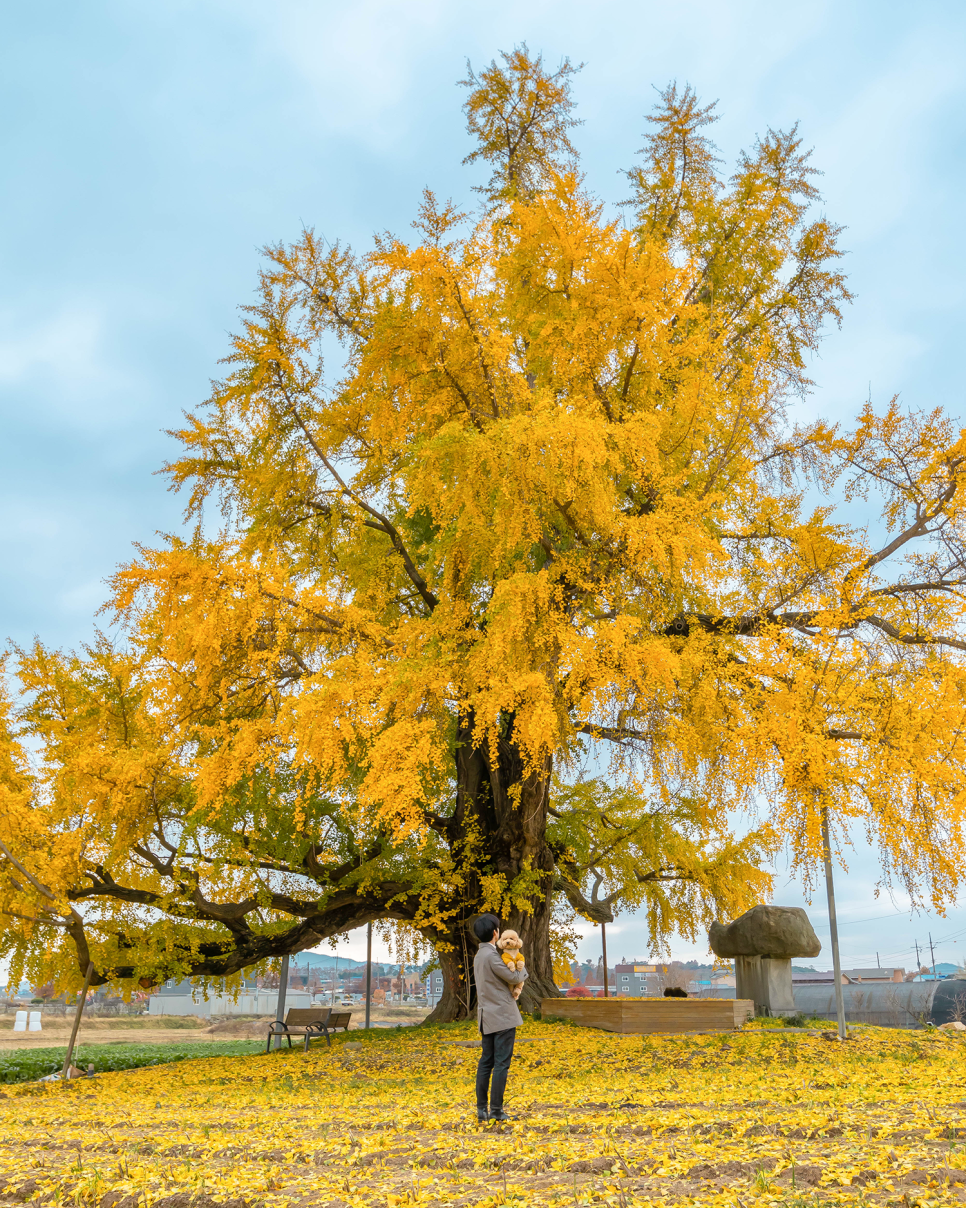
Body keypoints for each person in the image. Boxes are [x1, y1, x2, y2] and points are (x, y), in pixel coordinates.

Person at [472, 913, 527, 1122]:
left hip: (486, 1016)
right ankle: (496, 1110)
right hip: (502, 1016)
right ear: (495, 933)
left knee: (486, 1062)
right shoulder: (493, 956)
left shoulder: (479, 955)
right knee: (501, 1063)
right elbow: (513, 976)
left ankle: (481, 1109)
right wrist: (522, 962)